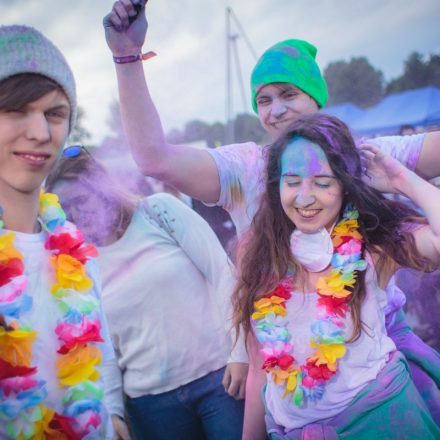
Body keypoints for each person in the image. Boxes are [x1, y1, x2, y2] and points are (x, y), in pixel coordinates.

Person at [103, 0, 440, 422]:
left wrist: (402, 178)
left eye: (288, 94)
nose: (275, 110)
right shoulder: (248, 168)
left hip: (380, 366)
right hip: (286, 368)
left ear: (316, 97)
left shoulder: (363, 156)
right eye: (263, 100)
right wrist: (126, 56)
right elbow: (155, 159)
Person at [231, 113, 440, 439]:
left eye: (323, 182)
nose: (304, 198)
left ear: (345, 184)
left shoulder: (373, 250)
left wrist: (402, 180)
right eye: (292, 181)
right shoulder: (262, 258)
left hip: (382, 426)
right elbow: (261, 369)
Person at [45, 148, 248, 440]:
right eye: (65, 208)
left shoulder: (158, 211)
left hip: (220, 381)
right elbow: (102, 349)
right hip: (152, 407)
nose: (76, 214)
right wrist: (113, 412)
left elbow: (223, 274)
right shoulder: (77, 265)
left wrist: (240, 353)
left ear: (101, 188)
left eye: (80, 200)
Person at [0, 25, 115, 438]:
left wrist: (114, 415)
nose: (40, 133)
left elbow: (101, 359)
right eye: (15, 110)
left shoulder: (76, 257)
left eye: (54, 113)